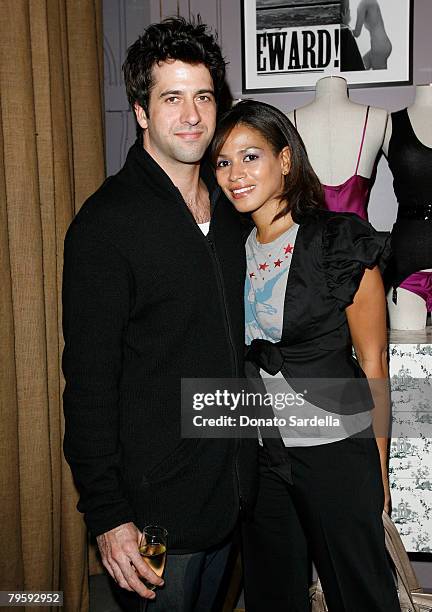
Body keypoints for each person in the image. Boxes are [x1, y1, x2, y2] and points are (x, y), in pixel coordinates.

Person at [62, 17, 256, 612]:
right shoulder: (105, 226)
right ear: (142, 112)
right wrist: (108, 516)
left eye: (203, 96)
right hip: (153, 519)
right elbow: (89, 385)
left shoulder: (233, 209)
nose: (192, 114)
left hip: (231, 500)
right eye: (171, 98)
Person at [210, 100, 400, 611]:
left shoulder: (338, 242)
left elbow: (373, 362)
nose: (234, 175)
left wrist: (377, 468)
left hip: (334, 449)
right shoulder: (230, 249)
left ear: (286, 160)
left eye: (250, 157)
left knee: (359, 594)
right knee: (272, 596)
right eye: (223, 162)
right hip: (261, 452)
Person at [353, 0, 392, 70]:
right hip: (382, 45)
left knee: (380, 78)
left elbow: (356, 33)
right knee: (360, 67)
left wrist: (344, 28)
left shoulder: (362, 5)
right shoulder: (373, 2)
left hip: (378, 48)